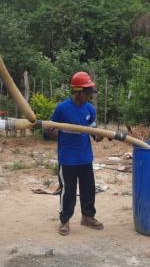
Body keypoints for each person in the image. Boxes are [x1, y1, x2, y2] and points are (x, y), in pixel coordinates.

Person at [46, 71, 104, 236]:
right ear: (78, 91)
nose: (89, 96)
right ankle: (65, 221)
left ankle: (87, 217)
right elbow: (51, 131)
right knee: (68, 191)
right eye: (87, 92)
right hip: (68, 158)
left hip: (85, 157)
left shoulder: (90, 110)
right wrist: (52, 133)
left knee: (88, 189)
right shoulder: (62, 109)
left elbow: (94, 134)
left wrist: (100, 136)